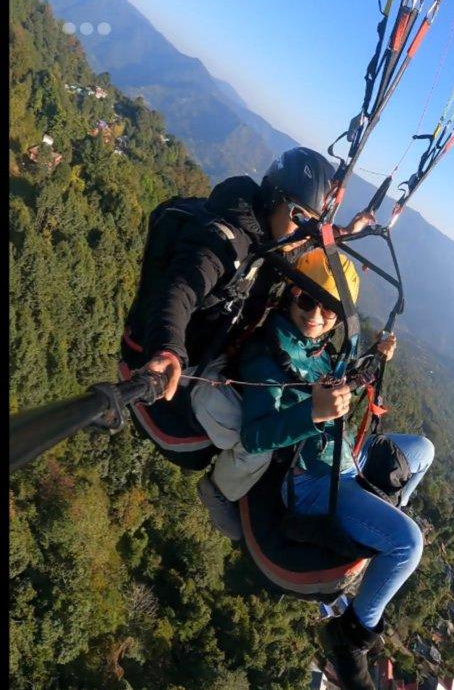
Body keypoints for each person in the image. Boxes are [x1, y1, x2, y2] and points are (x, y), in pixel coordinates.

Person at [123, 147, 374, 531]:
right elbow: (181, 290)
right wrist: (169, 348)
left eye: (311, 223)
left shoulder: (275, 238)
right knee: (260, 440)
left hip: (221, 354)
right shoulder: (223, 242)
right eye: (299, 218)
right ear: (274, 200)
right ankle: (219, 491)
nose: (304, 231)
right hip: (186, 366)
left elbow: (306, 237)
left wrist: (343, 232)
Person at [238, 248, 435, 690]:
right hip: (313, 481)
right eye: (307, 302)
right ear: (290, 296)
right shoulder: (266, 356)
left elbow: (341, 372)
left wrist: (375, 355)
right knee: (409, 545)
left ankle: (376, 519)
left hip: (345, 455)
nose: (317, 316)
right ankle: (352, 635)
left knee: (423, 450)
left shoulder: (315, 349)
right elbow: (254, 437)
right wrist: (311, 415)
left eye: (329, 310)